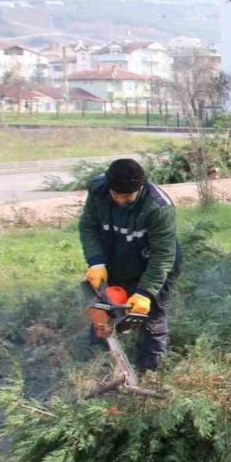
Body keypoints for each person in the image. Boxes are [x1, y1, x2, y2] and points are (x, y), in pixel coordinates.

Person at [80, 158, 181, 371]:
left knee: (151, 317)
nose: (120, 201)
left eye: (127, 196)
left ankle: (151, 370)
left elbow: (163, 255)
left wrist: (145, 292)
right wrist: (96, 262)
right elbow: (88, 226)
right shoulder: (99, 190)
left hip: (153, 263)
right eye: (115, 195)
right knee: (103, 309)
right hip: (116, 255)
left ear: (140, 187)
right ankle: (98, 367)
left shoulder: (158, 207)